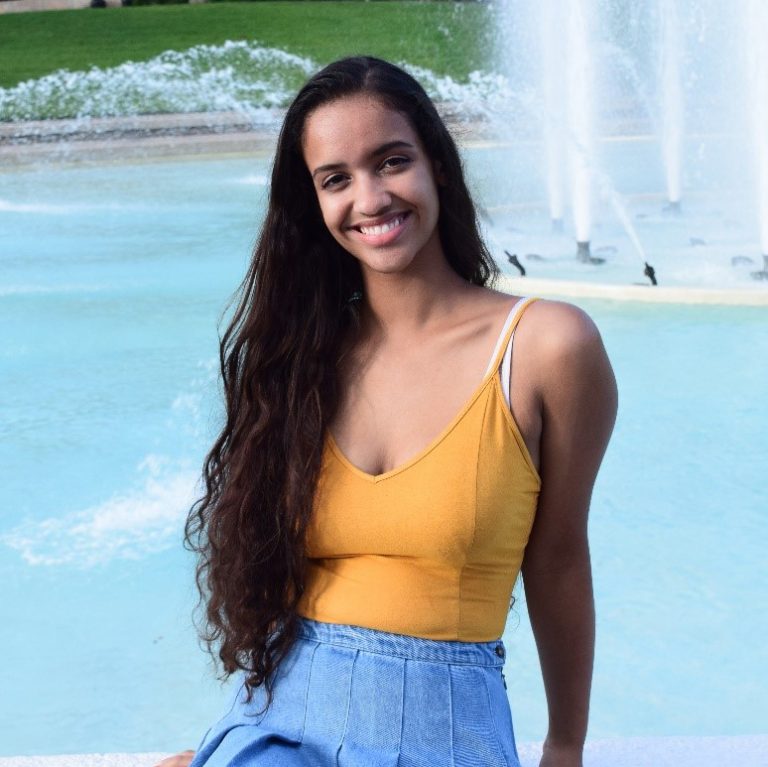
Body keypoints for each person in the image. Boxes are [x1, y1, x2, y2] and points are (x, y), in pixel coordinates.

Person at [157, 56, 617, 767]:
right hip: (280, 721)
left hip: (447, 723)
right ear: (311, 203)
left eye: (390, 161)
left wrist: (565, 745)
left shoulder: (548, 347)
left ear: (436, 162)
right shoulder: (301, 359)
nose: (369, 198)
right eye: (335, 179)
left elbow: (557, 558)